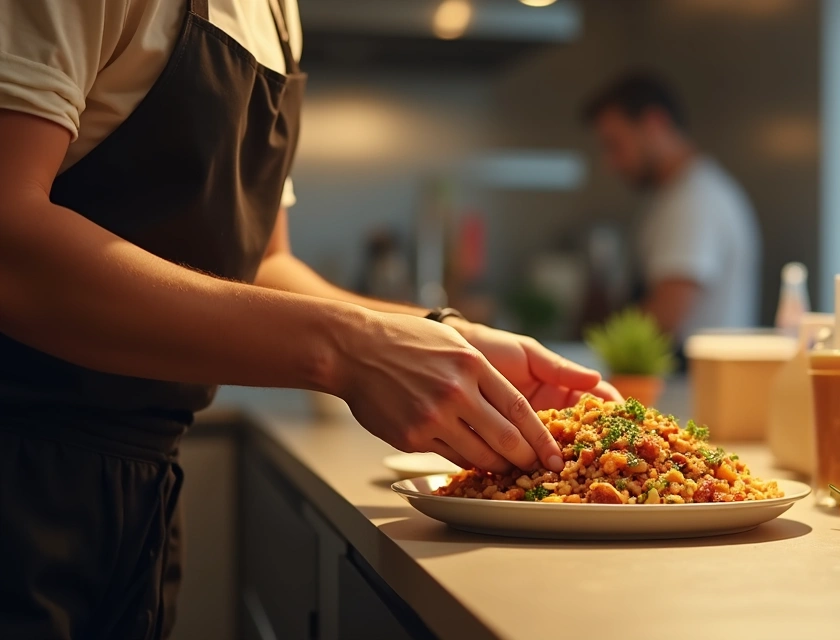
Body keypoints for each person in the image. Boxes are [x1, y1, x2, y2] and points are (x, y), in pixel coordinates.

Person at [0, 0, 616, 637]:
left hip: (145, 486)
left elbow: (264, 263)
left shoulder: (277, 13)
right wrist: (344, 350)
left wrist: (441, 331)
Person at [582, 72, 762, 341]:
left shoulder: (694, 202)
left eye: (615, 145)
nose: (611, 164)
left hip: (690, 380)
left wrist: (593, 355)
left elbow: (666, 315)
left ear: (655, 124)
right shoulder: (677, 195)